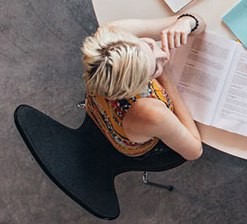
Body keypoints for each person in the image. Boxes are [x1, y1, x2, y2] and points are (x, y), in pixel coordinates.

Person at [80, 14, 206, 160]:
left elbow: (198, 22)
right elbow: (195, 151)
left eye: (150, 45)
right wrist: (166, 77)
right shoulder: (152, 112)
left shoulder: (112, 34)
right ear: (138, 88)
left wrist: (187, 22)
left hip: (98, 106)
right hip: (135, 141)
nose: (164, 55)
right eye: (154, 69)